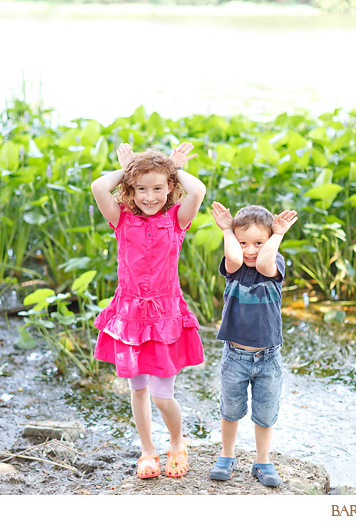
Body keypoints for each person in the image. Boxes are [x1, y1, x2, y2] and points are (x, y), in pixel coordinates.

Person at [91, 142, 206, 479]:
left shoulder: (176, 219)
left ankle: (176, 442)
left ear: (170, 188)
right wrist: (128, 170)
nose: (150, 196)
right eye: (141, 188)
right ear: (130, 188)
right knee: (137, 389)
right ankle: (147, 451)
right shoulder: (121, 219)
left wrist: (173, 166)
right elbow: (99, 186)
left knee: (161, 395)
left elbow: (197, 190)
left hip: (165, 317)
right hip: (129, 319)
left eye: (158, 188)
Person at [208, 201, 298, 486]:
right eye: (243, 242)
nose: (249, 249)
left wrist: (277, 235)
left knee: (265, 413)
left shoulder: (274, 264)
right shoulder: (233, 267)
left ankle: (262, 461)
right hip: (235, 356)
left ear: (269, 241)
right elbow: (235, 258)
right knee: (230, 410)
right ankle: (226, 455)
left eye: (258, 242)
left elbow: (263, 262)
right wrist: (226, 230)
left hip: (268, 358)